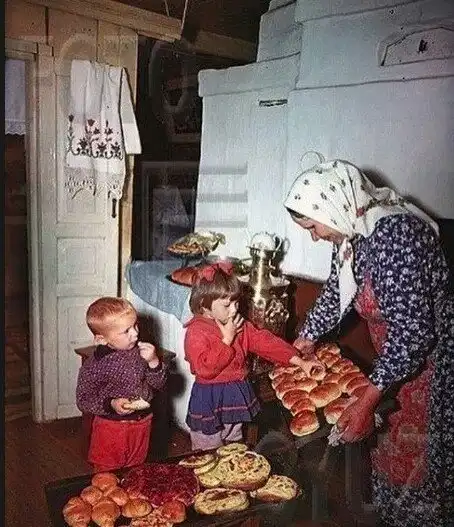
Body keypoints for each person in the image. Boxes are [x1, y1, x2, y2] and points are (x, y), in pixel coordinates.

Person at [284, 158, 454, 527]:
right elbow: (337, 293)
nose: (314, 237)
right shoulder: (353, 232)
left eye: (312, 227)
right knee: (392, 454)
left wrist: (367, 398)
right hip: (395, 362)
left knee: (419, 462)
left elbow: (413, 332)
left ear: (332, 207)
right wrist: (306, 337)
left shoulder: (396, 236)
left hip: (433, 368)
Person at [183, 262, 323, 452]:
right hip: (210, 401)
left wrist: (299, 361)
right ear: (204, 306)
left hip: (235, 396)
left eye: (236, 303)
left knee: (235, 447)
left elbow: (265, 342)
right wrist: (227, 340)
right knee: (208, 451)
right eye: (226, 305)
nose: (234, 310)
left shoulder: (237, 323)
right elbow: (204, 369)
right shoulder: (196, 331)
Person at [76, 297, 168, 472]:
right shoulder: (94, 365)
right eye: (126, 331)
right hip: (111, 429)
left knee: (136, 472)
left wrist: (153, 362)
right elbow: (83, 400)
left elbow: (158, 384)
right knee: (106, 474)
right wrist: (111, 404)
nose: (135, 334)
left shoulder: (140, 352)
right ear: (102, 339)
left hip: (142, 425)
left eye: (135, 325)